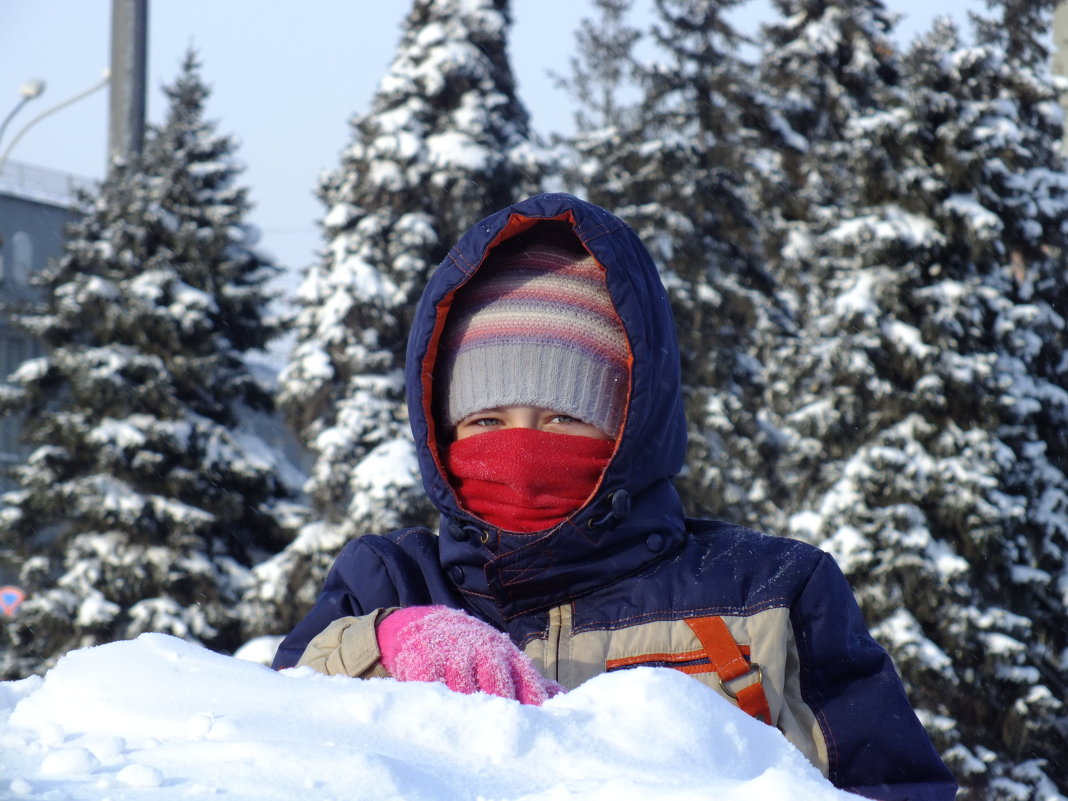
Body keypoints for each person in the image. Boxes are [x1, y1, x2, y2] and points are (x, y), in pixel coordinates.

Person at [273, 193, 956, 800]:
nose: (522, 450)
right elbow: (266, 737)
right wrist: (377, 646)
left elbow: (895, 785)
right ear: (441, 431)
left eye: (562, 416)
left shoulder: (771, 596)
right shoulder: (389, 582)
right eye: (485, 422)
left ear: (630, 421)